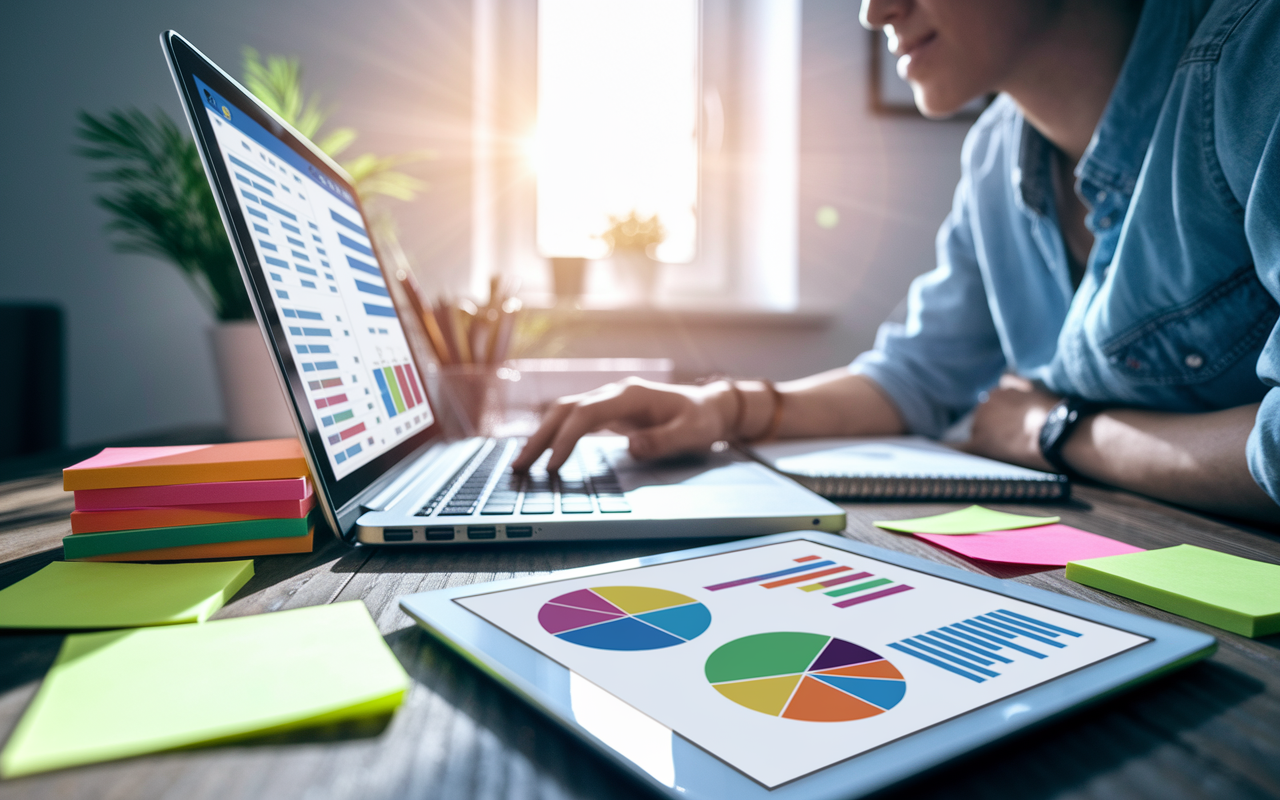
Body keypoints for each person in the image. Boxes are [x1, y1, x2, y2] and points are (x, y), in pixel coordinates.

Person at [514, 0, 1280, 525]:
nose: (872, 9)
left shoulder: (1257, 62)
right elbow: (913, 377)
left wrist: (1057, 433)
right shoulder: (993, 158)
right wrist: (723, 407)